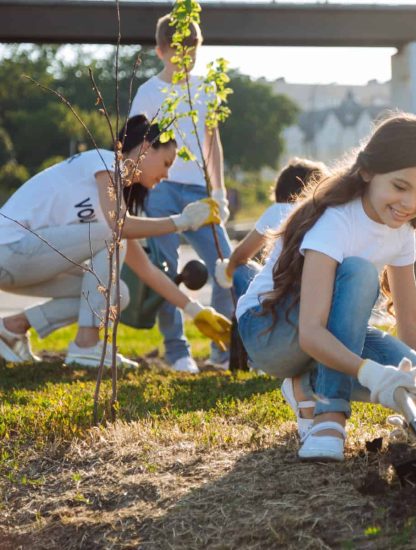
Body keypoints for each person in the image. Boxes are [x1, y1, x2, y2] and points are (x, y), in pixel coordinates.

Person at [236, 113, 416, 461]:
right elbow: (311, 332)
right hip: (269, 331)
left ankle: (305, 385)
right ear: (368, 172)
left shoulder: (401, 231)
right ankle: (329, 416)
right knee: (359, 272)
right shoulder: (336, 220)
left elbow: (411, 322)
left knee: (406, 364)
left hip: (321, 333)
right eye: (400, 187)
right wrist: (371, 374)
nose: (410, 204)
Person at [0, 115, 231, 368]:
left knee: (118, 292)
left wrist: (195, 311)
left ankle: (12, 328)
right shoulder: (103, 161)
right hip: (8, 250)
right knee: (114, 236)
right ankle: (86, 346)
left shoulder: (111, 207)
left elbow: (147, 270)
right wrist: (183, 221)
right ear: (145, 148)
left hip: (25, 263)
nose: (166, 175)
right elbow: (119, 228)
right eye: (166, 163)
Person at [129, 12, 233, 373]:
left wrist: (218, 192)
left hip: (199, 191)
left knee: (225, 266)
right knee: (166, 269)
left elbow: (213, 141)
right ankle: (177, 351)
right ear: (160, 51)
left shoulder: (207, 87)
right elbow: (135, 147)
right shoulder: (148, 92)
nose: (185, 55)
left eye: (192, 48)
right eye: (177, 50)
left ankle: (222, 349)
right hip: (160, 189)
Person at [213, 157, 327, 297]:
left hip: (276, 298)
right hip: (313, 295)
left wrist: (226, 273)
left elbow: (240, 255)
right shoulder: (324, 214)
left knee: (239, 269)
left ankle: (231, 314)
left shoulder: (279, 210)